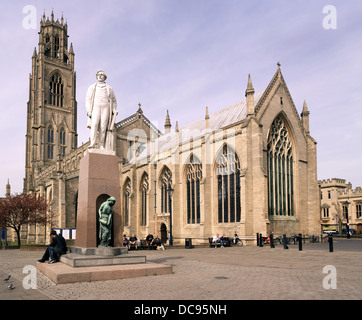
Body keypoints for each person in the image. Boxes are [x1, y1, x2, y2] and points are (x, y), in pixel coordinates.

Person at [86, 70, 117, 150]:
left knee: (103, 127)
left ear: (105, 77)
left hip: (106, 107)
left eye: (102, 75)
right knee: (94, 125)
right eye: (98, 74)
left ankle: (101, 145)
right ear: (96, 76)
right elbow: (88, 99)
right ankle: (92, 143)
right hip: (96, 107)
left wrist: (114, 109)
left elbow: (113, 100)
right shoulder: (92, 87)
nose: (100, 76)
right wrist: (89, 110)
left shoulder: (110, 88)